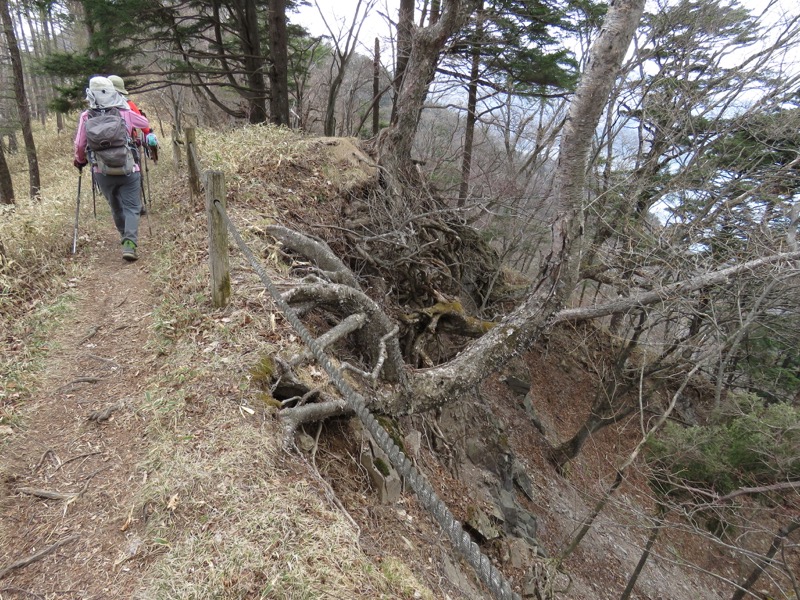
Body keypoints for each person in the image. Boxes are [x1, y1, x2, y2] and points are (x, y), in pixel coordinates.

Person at [73, 76, 150, 262]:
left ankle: (124, 235)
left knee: (115, 206)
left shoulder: (86, 116)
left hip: (102, 171)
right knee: (132, 207)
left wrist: (80, 161)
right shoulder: (124, 112)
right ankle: (129, 244)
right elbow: (145, 125)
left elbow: (80, 144)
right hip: (129, 168)